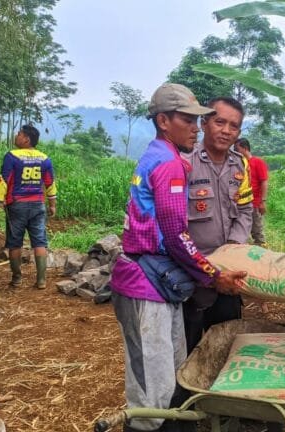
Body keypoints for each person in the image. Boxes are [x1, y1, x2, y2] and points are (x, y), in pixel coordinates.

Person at [109, 83, 246, 432]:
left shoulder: (157, 154)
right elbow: (176, 235)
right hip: (146, 284)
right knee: (149, 390)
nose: (196, 127)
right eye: (188, 119)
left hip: (155, 283)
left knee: (169, 375)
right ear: (164, 121)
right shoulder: (171, 164)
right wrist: (214, 275)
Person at [181, 96, 253, 354]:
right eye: (219, 122)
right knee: (185, 351)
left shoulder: (240, 165)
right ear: (204, 123)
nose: (226, 130)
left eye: (233, 126)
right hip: (190, 277)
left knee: (224, 347)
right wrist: (203, 268)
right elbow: (172, 223)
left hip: (228, 276)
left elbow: (245, 210)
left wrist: (233, 247)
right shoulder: (184, 161)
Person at [0, 124, 56, 289]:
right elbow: (50, 184)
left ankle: (17, 279)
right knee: (40, 242)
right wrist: (52, 204)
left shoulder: (12, 156)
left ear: (26, 139)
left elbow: (3, 180)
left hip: (17, 206)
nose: (16, 136)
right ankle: (41, 280)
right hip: (38, 205)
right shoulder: (44, 158)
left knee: (15, 243)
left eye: (19, 134)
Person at [235, 138, 269, 247]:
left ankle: (261, 251)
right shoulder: (239, 163)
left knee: (257, 230)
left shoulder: (257, 162)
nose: (235, 152)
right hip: (240, 203)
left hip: (254, 202)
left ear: (245, 149)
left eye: (237, 149)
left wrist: (262, 202)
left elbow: (264, 182)